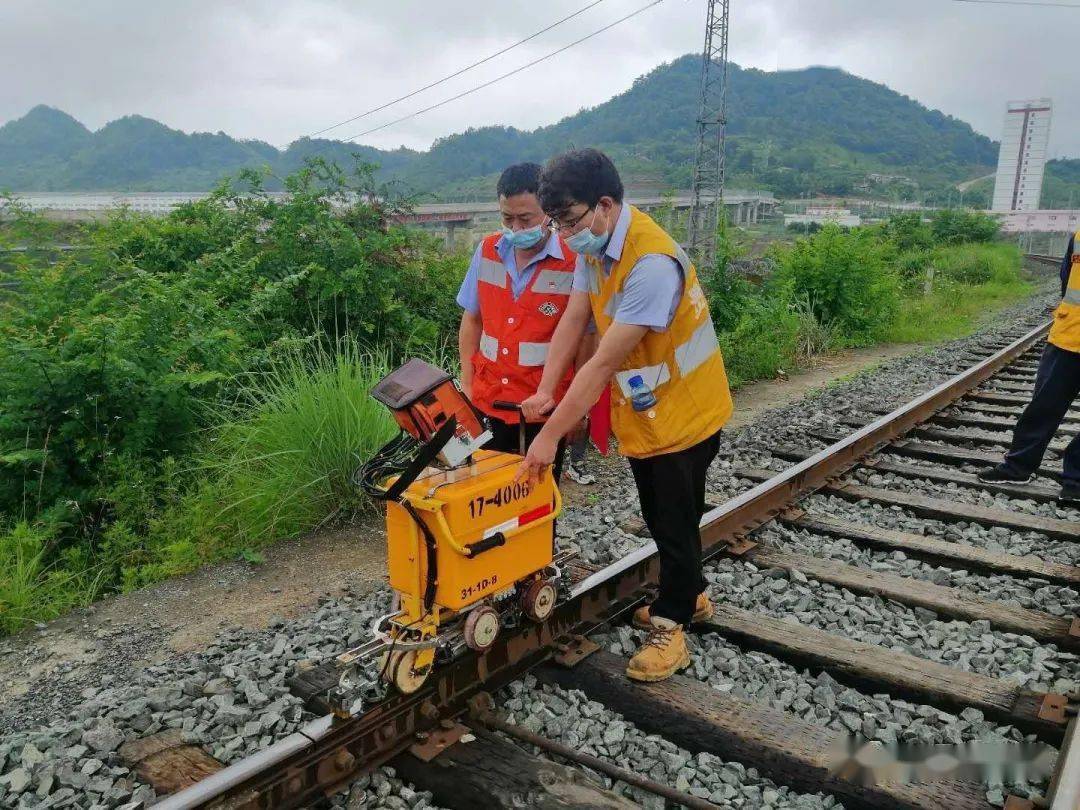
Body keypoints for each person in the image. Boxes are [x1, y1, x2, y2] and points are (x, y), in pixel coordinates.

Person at [516, 148, 734, 682]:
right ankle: (694, 595)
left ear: (605, 205)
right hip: (649, 410)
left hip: (685, 412)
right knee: (665, 514)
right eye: (557, 224)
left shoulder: (651, 265)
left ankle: (673, 621)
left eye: (569, 221)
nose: (564, 236)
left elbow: (603, 362)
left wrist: (547, 437)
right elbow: (574, 318)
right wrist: (546, 389)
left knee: (673, 521)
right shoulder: (597, 244)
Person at [457, 162, 587, 481]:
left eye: (525, 218)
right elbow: (472, 319)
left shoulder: (575, 261)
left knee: (534, 505)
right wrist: (468, 381)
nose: (515, 227)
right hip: (488, 399)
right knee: (488, 496)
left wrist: (578, 409)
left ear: (548, 213)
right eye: (507, 218)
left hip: (541, 408)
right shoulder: (487, 250)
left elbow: (586, 340)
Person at [980, 231, 1080, 502]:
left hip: (1069, 335)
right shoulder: (1079, 236)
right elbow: (1066, 281)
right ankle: (1019, 466)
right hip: (1068, 337)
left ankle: (1076, 480)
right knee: (1042, 406)